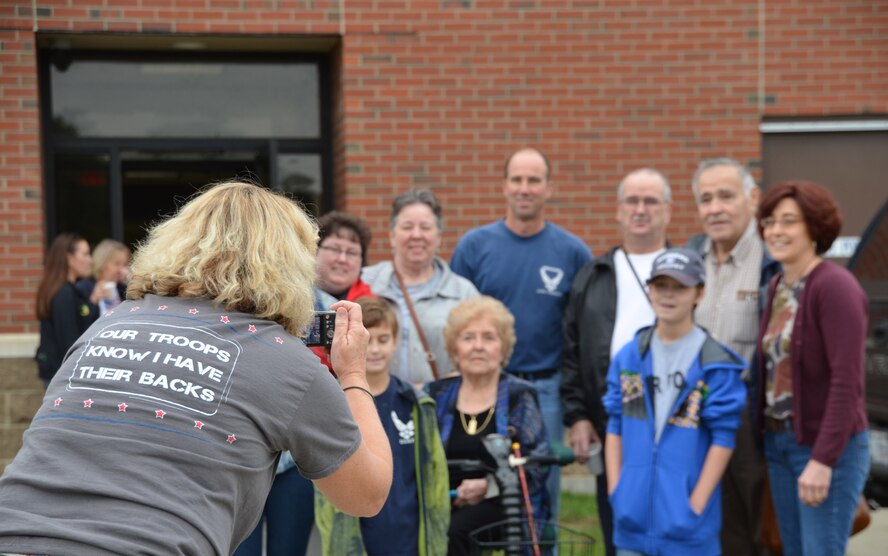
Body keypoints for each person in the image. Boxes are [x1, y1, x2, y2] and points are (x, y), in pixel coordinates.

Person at [0, 181, 393, 555]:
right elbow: (366, 495)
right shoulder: (287, 359)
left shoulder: (111, 323)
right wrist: (354, 374)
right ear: (292, 264)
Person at [450, 147, 592, 520]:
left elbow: (581, 334)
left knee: (540, 501)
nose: (525, 188)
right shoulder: (474, 247)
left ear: (549, 188)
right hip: (481, 389)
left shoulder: (573, 252)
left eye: (534, 180)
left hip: (545, 391)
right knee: (474, 493)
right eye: (517, 179)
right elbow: (458, 321)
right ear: (504, 187)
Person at [236, 211, 376, 556]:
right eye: (333, 248)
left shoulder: (341, 315)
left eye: (351, 252)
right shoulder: (252, 301)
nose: (342, 258)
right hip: (247, 449)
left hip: (300, 457)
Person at [603, 248, 747, 556]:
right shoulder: (630, 357)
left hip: (688, 530)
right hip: (631, 524)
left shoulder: (715, 364)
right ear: (649, 290)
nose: (668, 296)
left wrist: (695, 505)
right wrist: (618, 491)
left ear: (699, 293)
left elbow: (723, 438)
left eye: (680, 287)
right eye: (661, 286)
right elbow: (615, 424)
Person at [560, 168, 672, 556]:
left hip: (677, 422)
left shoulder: (687, 270)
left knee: (674, 523)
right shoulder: (594, 274)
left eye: (650, 201)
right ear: (619, 211)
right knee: (619, 526)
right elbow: (572, 348)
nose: (641, 210)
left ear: (667, 211)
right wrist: (577, 416)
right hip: (613, 421)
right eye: (632, 201)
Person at [755, 181, 869, 556]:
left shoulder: (835, 286)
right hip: (779, 445)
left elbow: (846, 383)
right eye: (770, 221)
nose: (776, 230)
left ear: (815, 227)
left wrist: (823, 460)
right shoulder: (777, 286)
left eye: (789, 221)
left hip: (823, 448)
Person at [687, 158, 780, 556]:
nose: (715, 208)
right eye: (705, 199)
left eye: (726, 196)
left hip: (749, 416)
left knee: (762, 528)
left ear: (752, 198)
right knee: (718, 526)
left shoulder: (772, 261)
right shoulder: (691, 258)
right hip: (697, 413)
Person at [316, 296, 449, 556]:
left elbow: (436, 478)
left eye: (383, 339)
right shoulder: (337, 404)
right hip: (358, 538)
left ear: (396, 341)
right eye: (369, 339)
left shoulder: (417, 403)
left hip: (412, 535)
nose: (375, 349)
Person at [427, 296, 550, 556]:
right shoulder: (438, 395)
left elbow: (536, 462)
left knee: (456, 531)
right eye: (468, 338)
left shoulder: (519, 396)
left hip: (503, 502)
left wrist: (488, 486)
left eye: (489, 338)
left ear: (503, 349)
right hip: (441, 499)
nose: (478, 347)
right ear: (454, 349)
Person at [363, 189, 478, 384]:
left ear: (439, 237)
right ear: (392, 236)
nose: (416, 235)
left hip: (440, 408)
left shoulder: (464, 294)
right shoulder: (366, 284)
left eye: (425, 227)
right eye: (407, 227)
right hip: (375, 407)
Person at [34, 232, 98, 388]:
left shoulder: (63, 289)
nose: (90, 260)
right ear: (69, 258)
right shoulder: (64, 293)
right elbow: (69, 341)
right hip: (63, 375)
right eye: (85, 254)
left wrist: (92, 302)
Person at [76, 238, 131, 314]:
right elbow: (80, 317)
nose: (121, 269)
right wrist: (93, 301)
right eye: (117, 264)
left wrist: (130, 282)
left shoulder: (123, 289)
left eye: (125, 265)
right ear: (102, 263)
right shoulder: (83, 288)